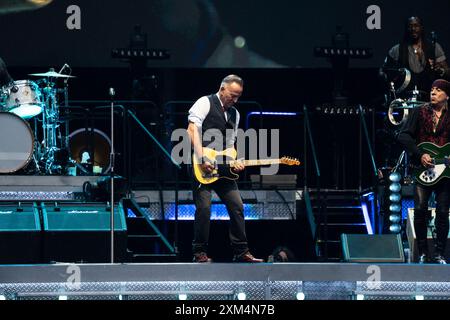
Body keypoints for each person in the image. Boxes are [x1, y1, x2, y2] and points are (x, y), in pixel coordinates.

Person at [187, 74, 263, 263]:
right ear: (222, 89)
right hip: (201, 163)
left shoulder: (234, 114)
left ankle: (241, 251)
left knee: (237, 206)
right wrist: (201, 157)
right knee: (204, 208)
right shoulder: (204, 102)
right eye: (232, 95)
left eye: (238, 96)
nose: (234, 100)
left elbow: (230, 144)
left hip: (223, 166)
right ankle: (199, 252)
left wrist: (235, 161)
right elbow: (192, 130)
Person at [397, 79, 450, 264]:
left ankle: (439, 253)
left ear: (447, 96)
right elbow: (403, 135)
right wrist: (420, 154)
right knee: (420, 209)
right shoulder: (419, 112)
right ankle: (422, 252)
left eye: (438, 90)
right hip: (423, 170)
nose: (433, 92)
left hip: (445, 172)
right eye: (432, 89)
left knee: (443, 212)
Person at [380, 16, 449, 97]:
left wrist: (440, 71)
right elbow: (382, 72)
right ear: (406, 29)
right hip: (405, 98)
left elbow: (447, 72)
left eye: (416, 26)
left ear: (421, 27)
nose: (413, 29)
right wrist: (391, 77)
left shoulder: (434, 47)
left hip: (429, 97)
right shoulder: (397, 49)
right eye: (410, 26)